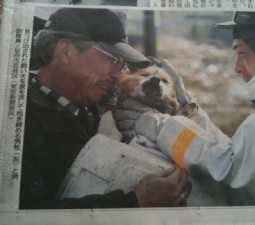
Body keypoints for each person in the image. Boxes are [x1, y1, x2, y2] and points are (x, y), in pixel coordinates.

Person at [114, 11, 255, 205]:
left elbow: (227, 172)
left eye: (242, 53)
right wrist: (190, 112)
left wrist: (158, 125)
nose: (237, 67)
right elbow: (233, 154)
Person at [20, 8, 191, 209]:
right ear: (66, 51)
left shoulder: (103, 111)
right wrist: (136, 201)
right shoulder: (15, 121)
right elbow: (25, 214)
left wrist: (186, 111)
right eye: (112, 59)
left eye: (123, 65)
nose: (119, 75)